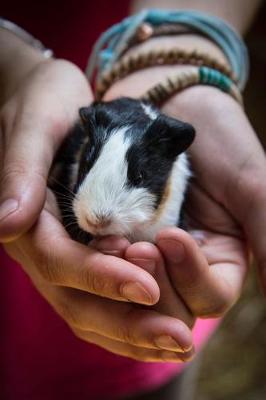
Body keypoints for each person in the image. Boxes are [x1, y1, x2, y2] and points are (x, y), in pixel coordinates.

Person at [0, 0, 265, 399]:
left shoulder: (174, 160)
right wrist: (11, 70)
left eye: (137, 177)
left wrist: (184, 47)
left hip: (148, 344)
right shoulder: (82, 134)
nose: (99, 216)